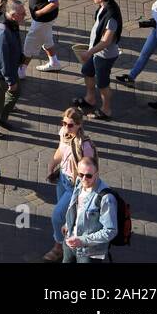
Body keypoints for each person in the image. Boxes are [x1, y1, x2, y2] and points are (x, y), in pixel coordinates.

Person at [43, 107, 98, 262]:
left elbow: (90, 170)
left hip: (75, 186)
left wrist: (85, 191)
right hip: (62, 180)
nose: (66, 127)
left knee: (57, 216)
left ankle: (58, 247)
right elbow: (61, 150)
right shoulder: (64, 133)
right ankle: (69, 245)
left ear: (79, 125)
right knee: (68, 217)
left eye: (70, 124)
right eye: (64, 123)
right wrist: (51, 165)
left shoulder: (84, 145)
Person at [60, 158, 118, 262]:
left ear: (96, 173)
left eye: (89, 176)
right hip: (70, 242)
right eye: (81, 174)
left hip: (89, 253)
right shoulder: (79, 182)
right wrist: (67, 224)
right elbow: (75, 207)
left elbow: (110, 231)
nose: (84, 179)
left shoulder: (106, 197)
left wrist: (82, 240)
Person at [0, 0, 26, 132]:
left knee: (16, 92)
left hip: (10, 70)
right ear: (14, 15)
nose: (25, 15)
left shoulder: (12, 24)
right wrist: (10, 80)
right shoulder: (2, 32)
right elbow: (3, 60)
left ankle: (1, 119)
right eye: (22, 13)